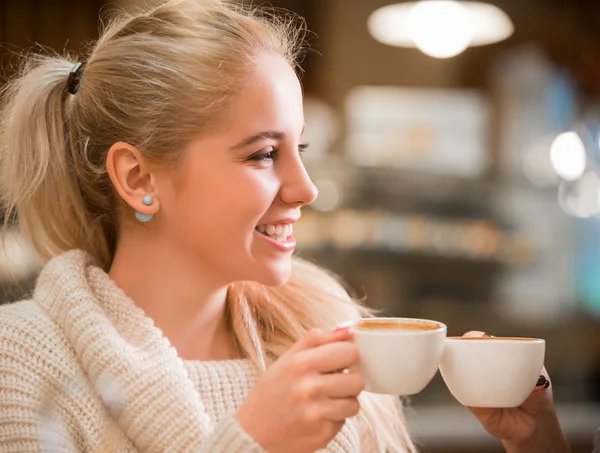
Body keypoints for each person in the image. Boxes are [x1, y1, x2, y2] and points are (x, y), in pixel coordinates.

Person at [0, 0, 571, 452]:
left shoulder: (321, 337)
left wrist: (539, 444)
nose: (307, 189)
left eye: (298, 148)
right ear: (137, 175)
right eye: (262, 154)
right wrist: (251, 443)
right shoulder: (21, 360)